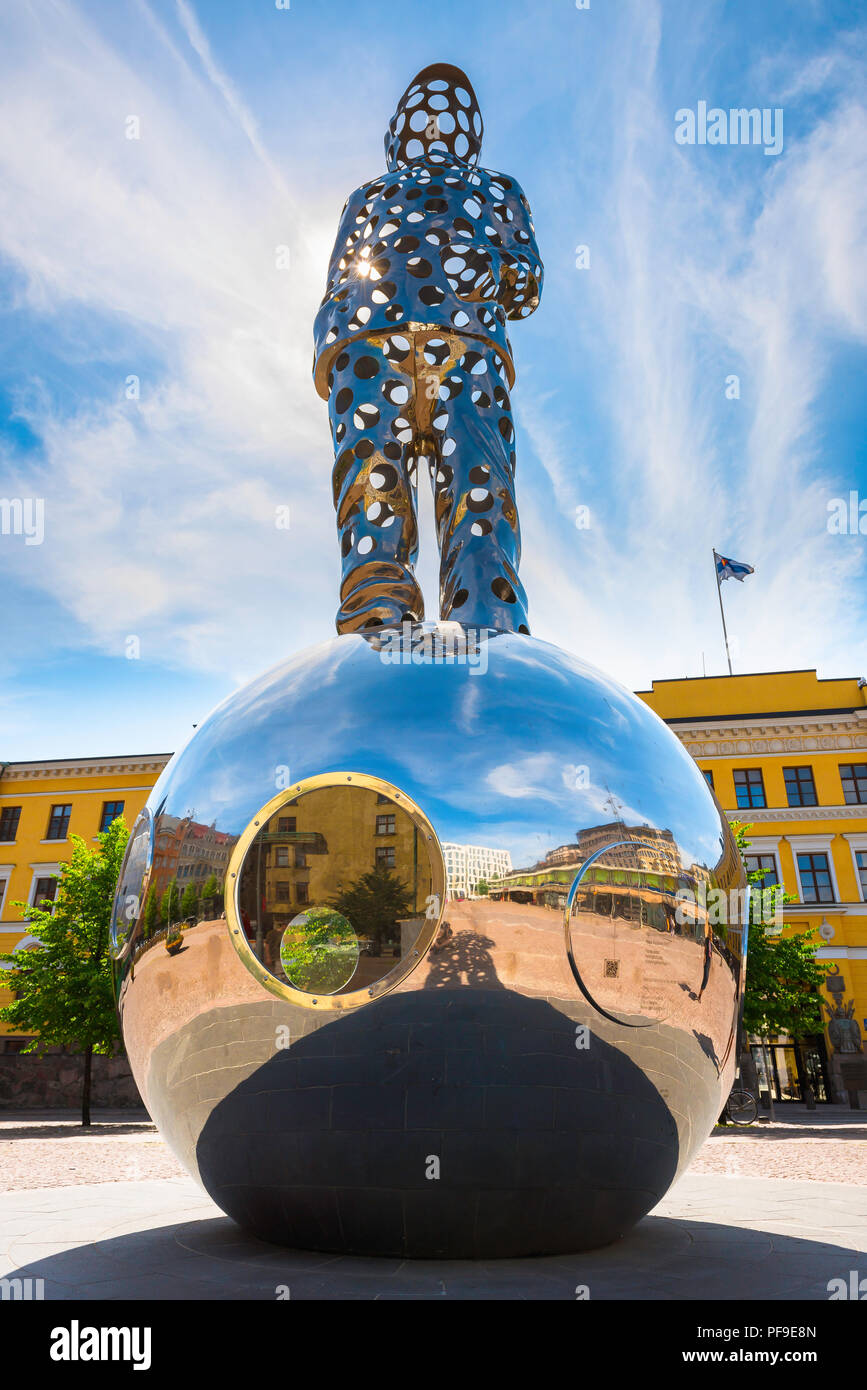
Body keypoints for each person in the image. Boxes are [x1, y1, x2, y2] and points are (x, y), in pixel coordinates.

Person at [313, 62, 544, 635]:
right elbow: (339, 277)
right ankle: (375, 616)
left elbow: (528, 278)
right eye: (423, 110)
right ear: (396, 130)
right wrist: (331, 347)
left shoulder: (498, 190)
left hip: (464, 347)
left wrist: (493, 268)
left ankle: (486, 619)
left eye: (454, 113)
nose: (438, 120)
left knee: (479, 483)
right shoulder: (364, 198)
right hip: (367, 344)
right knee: (372, 483)